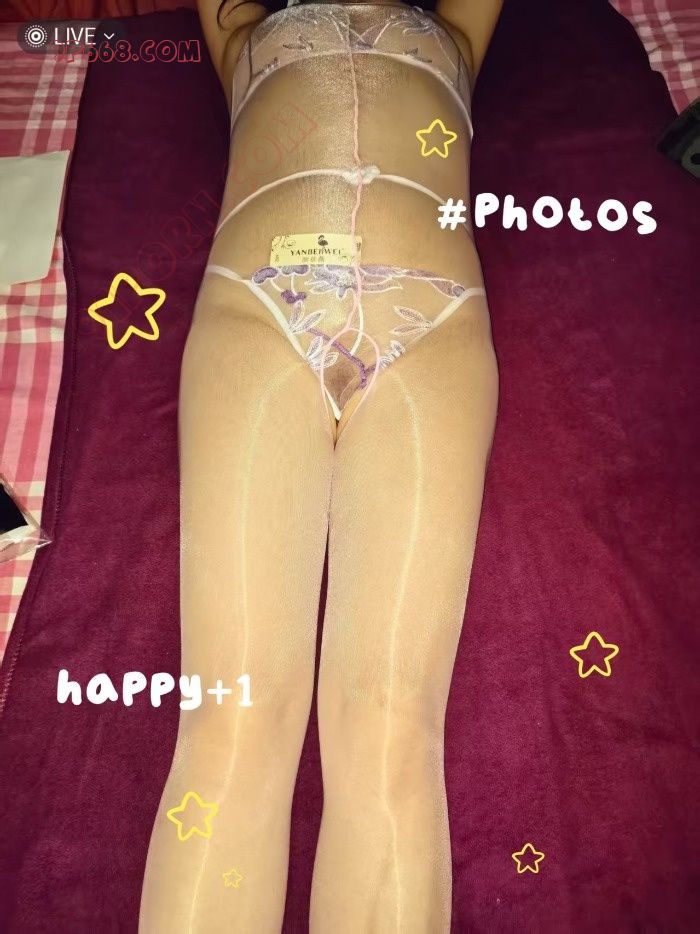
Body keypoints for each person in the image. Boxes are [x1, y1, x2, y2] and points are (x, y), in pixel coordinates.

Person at [139, 0, 503, 930]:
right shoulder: (239, 27)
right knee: (231, 717)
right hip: (256, 310)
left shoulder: (457, 32)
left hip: (435, 326)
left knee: (392, 726)